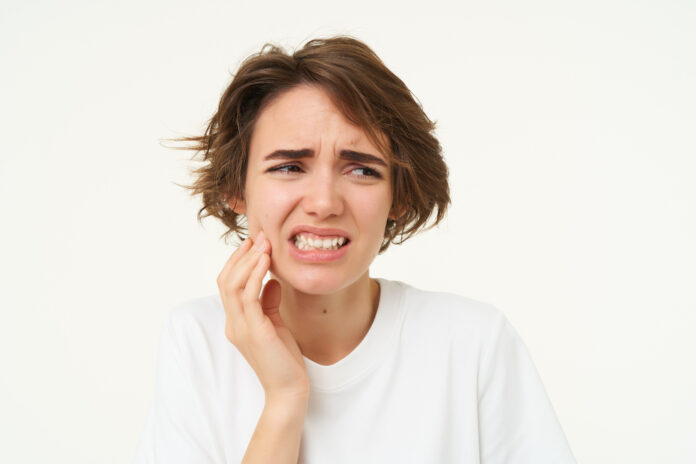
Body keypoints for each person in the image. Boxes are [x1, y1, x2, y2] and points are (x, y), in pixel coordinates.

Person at [133, 36, 576, 463]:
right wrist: (285, 399)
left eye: (362, 170)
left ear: (398, 197)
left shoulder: (473, 343)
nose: (324, 202)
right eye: (289, 166)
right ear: (236, 189)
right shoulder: (197, 341)